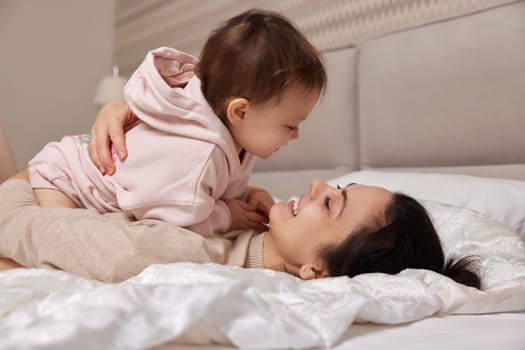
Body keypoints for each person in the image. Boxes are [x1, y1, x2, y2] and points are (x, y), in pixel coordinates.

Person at [26, 9, 327, 237]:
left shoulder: (235, 137)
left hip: (81, 173)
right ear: (240, 112)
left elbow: (211, 189)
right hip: (67, 179)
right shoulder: (199, 153)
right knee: (66, 240)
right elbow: (174, 223)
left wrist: (248, 195)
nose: (296, 135)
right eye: (290, 125)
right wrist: (228, 217)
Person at [0, 171, 481, 289]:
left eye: (331, 202)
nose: (314, 185)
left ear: (317, 269)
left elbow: (16, 222)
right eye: (334, 185)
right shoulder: (245, 219)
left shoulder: (183, 257)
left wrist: (27, 179)